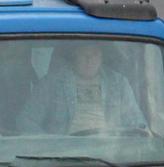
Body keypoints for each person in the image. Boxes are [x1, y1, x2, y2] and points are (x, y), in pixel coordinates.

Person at [17, 41, 146, 134]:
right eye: (83, 54)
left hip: (110, 154)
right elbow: (26, 121)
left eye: (94, 54)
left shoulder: (119, 83)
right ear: (74, 55)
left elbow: (135, 120)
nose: (89, 60)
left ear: (101, 57)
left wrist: (145, 138)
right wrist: (50, 147)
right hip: (65, 156)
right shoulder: (51, 83)